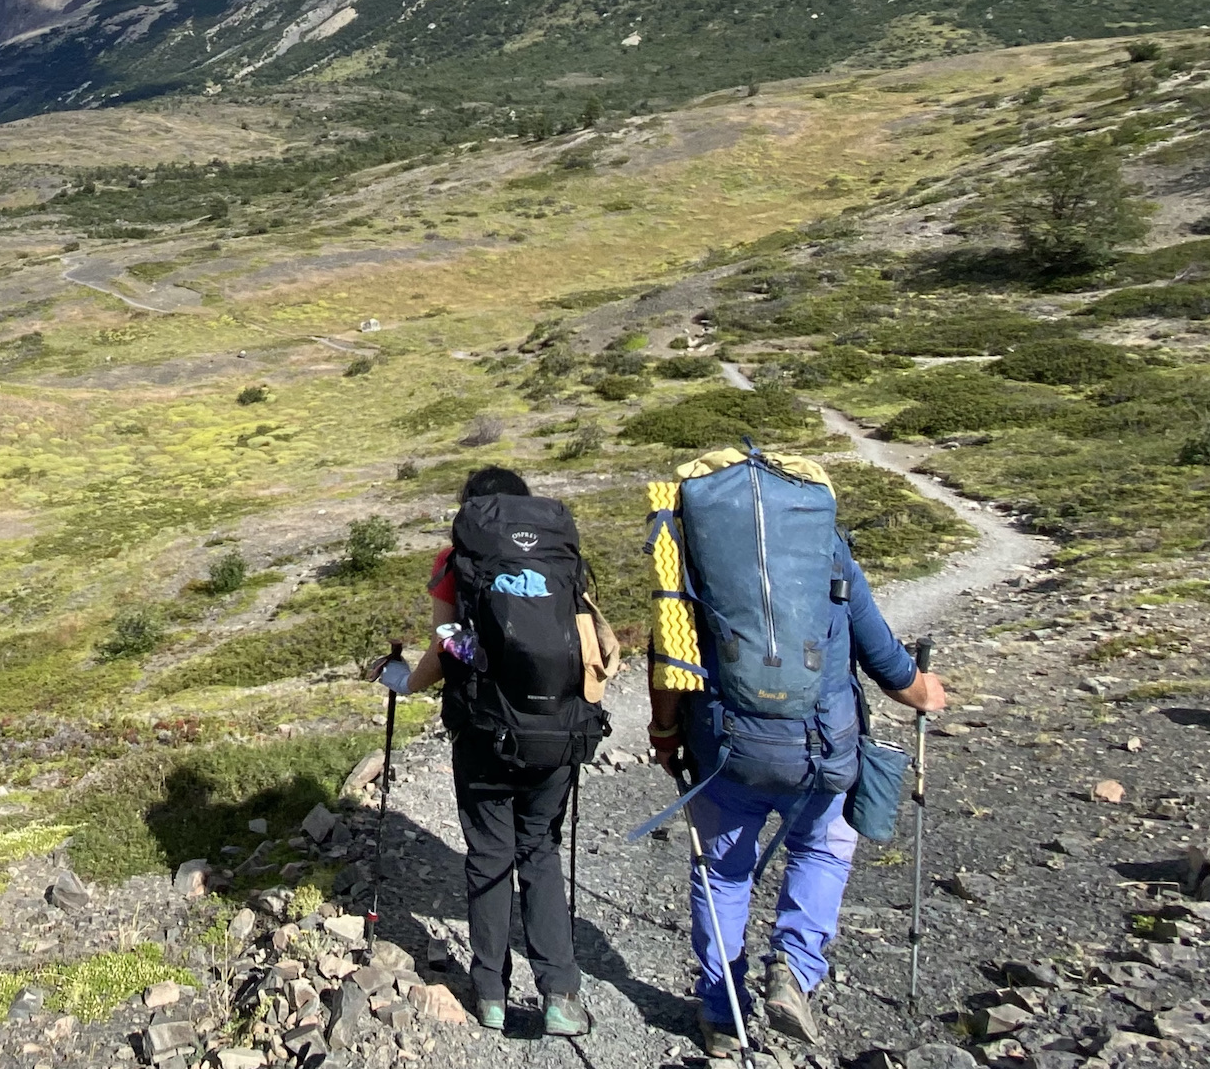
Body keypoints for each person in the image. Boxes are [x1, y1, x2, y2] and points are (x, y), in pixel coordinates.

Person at [643, 452, 947, 1057]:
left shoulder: (689, 560)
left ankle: (722, 1012)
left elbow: (669, 664)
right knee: (822, 851)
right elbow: (886, 660)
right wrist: (925, 691)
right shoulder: (831, 554)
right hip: (823, 749)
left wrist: (666, 733)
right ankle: (795, 971)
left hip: (725, 750)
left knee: (722, 877)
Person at [373, 465, 599, 1038]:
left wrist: (402, 681)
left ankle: (492, 995)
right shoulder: (560, 558)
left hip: (484, 734)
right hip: (555, 734)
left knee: (489, 856)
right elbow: (593, 648)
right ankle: (560, 996)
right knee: (540, 853)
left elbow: (449, 645)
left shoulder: (457, 563)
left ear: (469, 512)